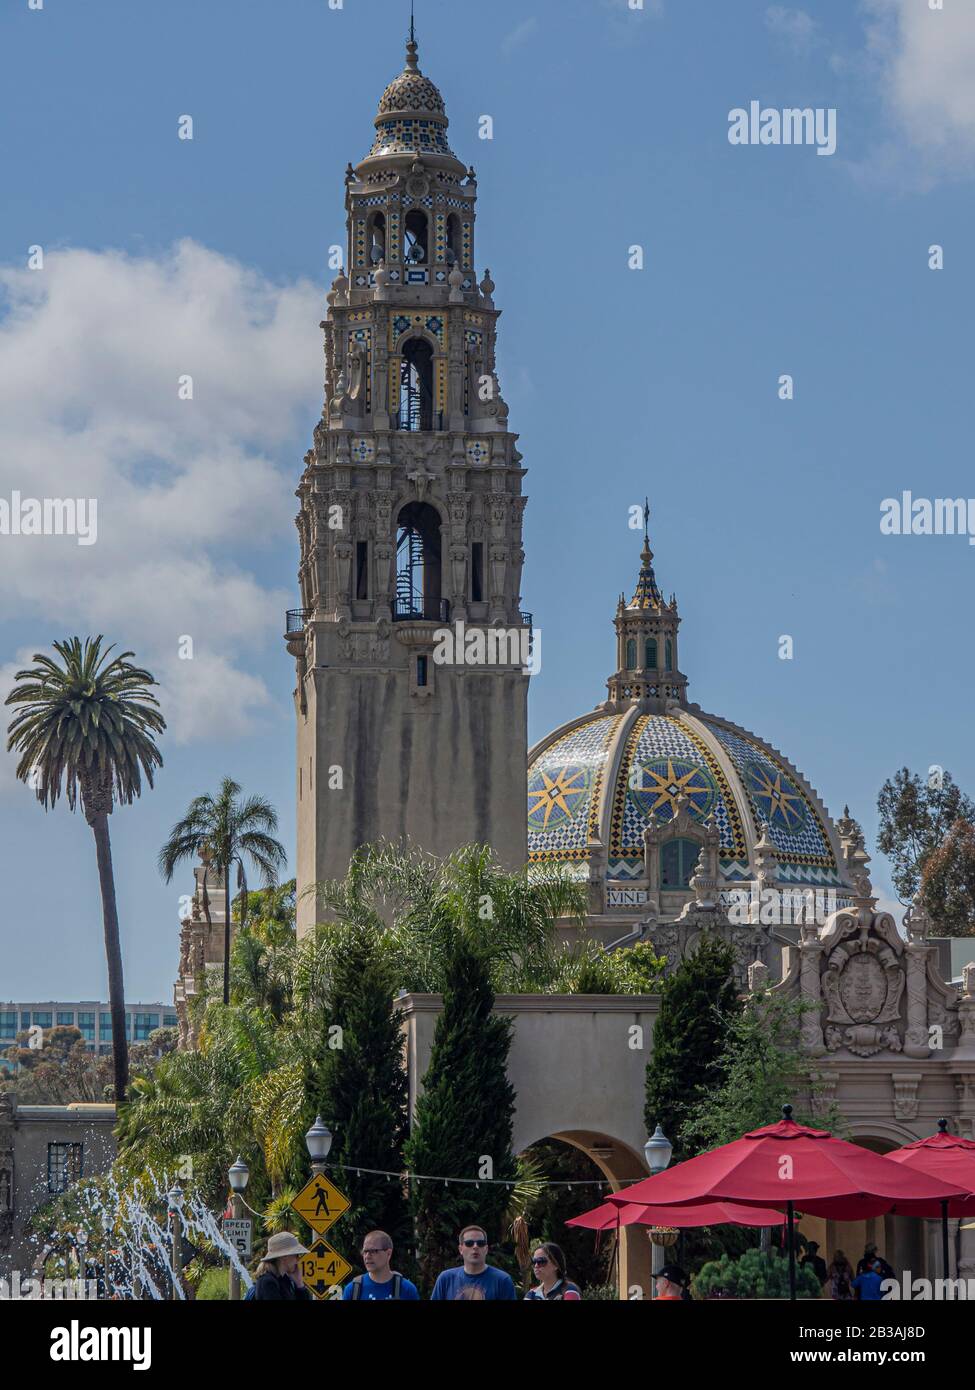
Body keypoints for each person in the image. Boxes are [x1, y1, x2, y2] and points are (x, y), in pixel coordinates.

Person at [430, 1224, 517, 1300]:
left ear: (486, 1249)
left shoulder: (502, 1280)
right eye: (469, 1243)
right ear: (461, 1249)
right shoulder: (445, 1279)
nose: (475, 1246)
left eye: (480, 1243)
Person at [342, 1230, 419, 1301]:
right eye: (365, 1251)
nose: (367, 1256)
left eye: (373, 1251)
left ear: (388, 1253)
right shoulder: (353, 1290)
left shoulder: (407, 1289)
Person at [250, 1232, 313, 1300]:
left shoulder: (284, 1280)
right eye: (296, 1255)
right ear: (284, 1256)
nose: (298, 1260)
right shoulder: (267, 1283)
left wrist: (299, 1283)